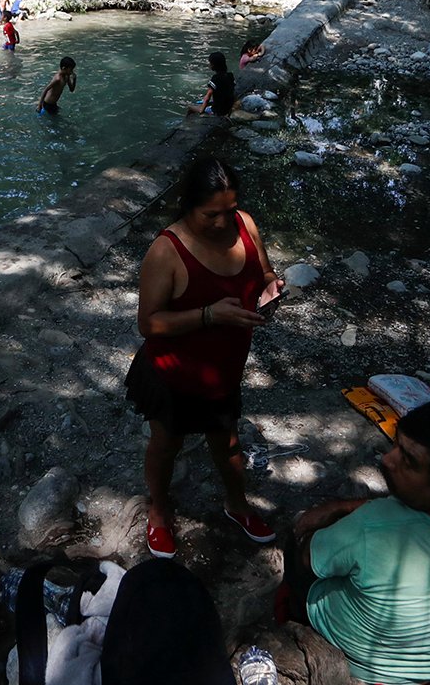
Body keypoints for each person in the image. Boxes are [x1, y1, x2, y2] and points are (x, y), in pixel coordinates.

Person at [281, 402, 430, 685]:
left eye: (409, 461)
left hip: (363, 662)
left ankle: (290, 611)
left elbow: (309, 558)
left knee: (296, 547)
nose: (388, 460)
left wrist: (319, 527)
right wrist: (347, 506)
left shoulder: (376, 527)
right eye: (396, 445)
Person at [127, 156, 284, 559]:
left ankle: (237, 504)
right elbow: (148, 323)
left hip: (225, 369)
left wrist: (271, 287)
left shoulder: (245, 225)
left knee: (228, 442)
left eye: (229, 210)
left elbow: (263, 272)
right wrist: (210, 314)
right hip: (173, 373)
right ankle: (159, 511)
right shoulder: (167, 249)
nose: (221, 222)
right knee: (166, 442)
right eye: (210, 214)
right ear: (188, 205)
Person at [190, 51, 234, 116]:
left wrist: (201, 110)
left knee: (190, 108)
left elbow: (208, 96)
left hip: (216, 111)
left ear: (213, 65)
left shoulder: (215, 78)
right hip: (227, 108)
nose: (209, 65)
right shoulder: (230, 75)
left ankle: (186, 123)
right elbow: (232, 91)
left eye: (210, 63)